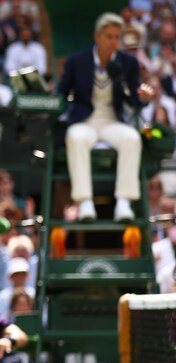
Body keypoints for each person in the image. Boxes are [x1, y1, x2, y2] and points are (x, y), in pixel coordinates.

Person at [59, 12, 154, 222]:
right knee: (76, 137)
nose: (113, 42)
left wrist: (144, 97)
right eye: (109, 36)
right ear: (97, 37)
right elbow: (61, 92)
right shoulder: (77, 60)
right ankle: (84, 202)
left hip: (112, 119)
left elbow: (134, 100)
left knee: (132, 138)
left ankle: (123, 203)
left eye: (116, 37)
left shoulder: (127, 63)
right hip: (85, 120)